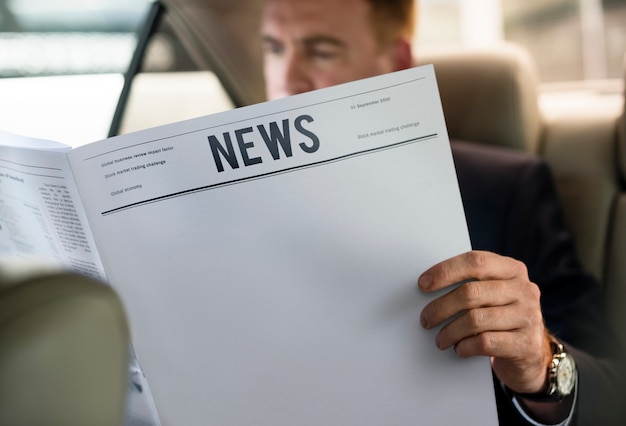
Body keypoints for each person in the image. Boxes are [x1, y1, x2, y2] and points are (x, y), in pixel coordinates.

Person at [260, 0, 625, 424]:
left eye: (321, 52)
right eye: (273, 49)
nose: (286, 80)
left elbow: (609, 394)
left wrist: (540, 365)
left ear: (395, 63)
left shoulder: (504, 192)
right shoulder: (214, 214)